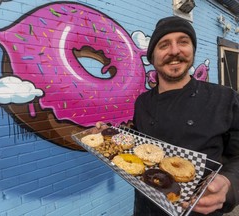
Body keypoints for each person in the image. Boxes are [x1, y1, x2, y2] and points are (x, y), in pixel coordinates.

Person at [97, 16, 239, 215]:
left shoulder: (225, 99)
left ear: (192, 49)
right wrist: (110, 134)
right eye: (164, 45)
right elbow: (139, 141)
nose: (174, 51)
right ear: (152, 57)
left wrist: (230, 182)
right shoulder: (143, 102)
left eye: (183, 42)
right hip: (145, 208)